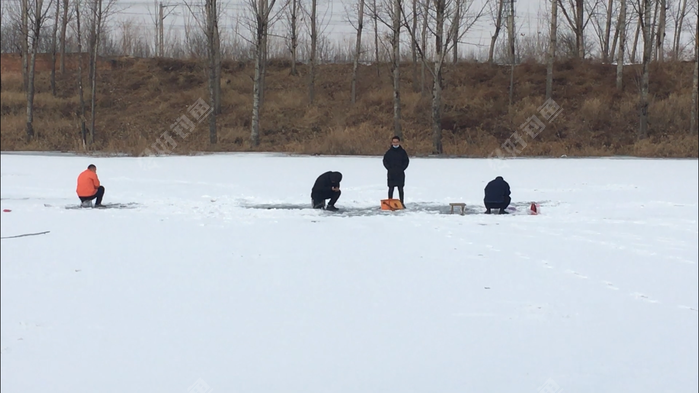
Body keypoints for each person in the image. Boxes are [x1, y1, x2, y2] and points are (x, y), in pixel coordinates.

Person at [382, 136, 409, 207]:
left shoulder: (403, 152)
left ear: (399, 142)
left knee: (400, 188)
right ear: (392, 143)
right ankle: (390, 203)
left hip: (400, 173)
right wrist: (389, 168)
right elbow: (385, 161)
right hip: (391, 173)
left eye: (396, 142)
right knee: (391, 188)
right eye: (394, 142)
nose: (395, 143)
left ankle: (402, 203)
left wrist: (402, 168)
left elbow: (406, 161)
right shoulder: (389, 152)